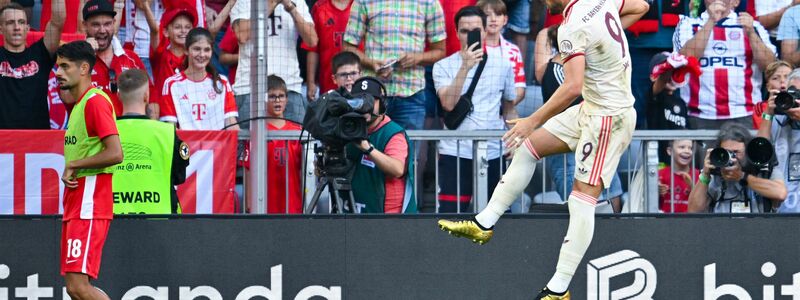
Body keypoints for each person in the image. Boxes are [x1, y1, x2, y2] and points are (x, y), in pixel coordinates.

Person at [437, 0, 650, 298]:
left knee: (581, 201)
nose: (541, 2)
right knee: (529, 148)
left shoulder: (571, 26)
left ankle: (558, 289)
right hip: (591, 108)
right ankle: (484, 223)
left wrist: (532, 119)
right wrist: (598, 43)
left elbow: (573, 86)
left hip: (608, 119)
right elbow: (640, 6)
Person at [56, 40, 123, 300]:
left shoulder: (94, 102)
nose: (58, 72)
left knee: (78, 287)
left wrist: (73, 164)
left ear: (84, 68)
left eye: (65, 66)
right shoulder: (80, 105)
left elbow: (116, 153)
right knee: (76, 288)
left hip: (90, 201)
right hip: (79, 201)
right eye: (58, 66)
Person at [432, 6, 515, 213]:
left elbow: (509, 109)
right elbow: (448, 104)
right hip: (455, 150)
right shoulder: (442, 66)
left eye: (475, 30)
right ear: (456, 33)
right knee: (450, 214)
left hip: (493, 151)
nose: (470, 36)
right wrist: (465, 67)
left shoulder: (503, 64)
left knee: (497, 215)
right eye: (464, 31)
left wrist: (516, 140)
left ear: (486, 31)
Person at [342, 0, 446, 130]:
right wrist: (372, 63)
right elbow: (347, 47)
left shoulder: (429, 3)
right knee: (369, 148)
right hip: (373, 94)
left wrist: (417, 58)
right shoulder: (364, 1)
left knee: (408, 148)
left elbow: (440, 51)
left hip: (411, 94)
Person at [674, 0, 776, 129]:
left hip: (745, 114)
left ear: (736, 2)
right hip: (699, 114)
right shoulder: (687, 24)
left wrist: (750, 33)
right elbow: (685, 60)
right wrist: (711, 21)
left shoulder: (753, 26)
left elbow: (770, 66)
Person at [113, 69, 189, 214]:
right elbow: (179, 176)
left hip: (111, 219)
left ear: (118, 96)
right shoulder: (167, 133)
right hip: (160, 220)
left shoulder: (103, 133)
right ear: (146, 96)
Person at [344, 76, 416, 213]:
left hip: (388, 218)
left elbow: (397, 169)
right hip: (356, 211)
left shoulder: (393, 133)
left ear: (382, 104)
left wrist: (368, 149)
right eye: (359, 100)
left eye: (371, 100)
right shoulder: (348, 127)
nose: (365, 106)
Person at [688, 123, 787, 212]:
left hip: (758, 229)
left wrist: (743, 177)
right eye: (726, 152)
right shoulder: (714, 173)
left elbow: (780, 193)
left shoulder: (763, 169)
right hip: (723, 230)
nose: (731, 157)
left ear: (748, 152)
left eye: (736, 152)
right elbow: (693, 210)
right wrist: (705, 174)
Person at [82, 0, 152, 118]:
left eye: (107, 24)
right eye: (96, 25)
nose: (102, 30)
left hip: (127, 133)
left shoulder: (132, 59)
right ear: (85, 26)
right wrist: (84, 56)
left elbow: (150, 100)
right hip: (92, 134)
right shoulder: (77, 59)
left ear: (114, 23)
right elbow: (67, 98)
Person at [0, 1, 64, 129]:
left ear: (28, 28)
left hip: (37, 139)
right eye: (10, 22)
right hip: (3, 139)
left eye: (21, 22)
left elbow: (57, 22)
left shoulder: (40, 53)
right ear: (1, 29)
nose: (17, 27)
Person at [160, 27, 239, 130]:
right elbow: (170, 129)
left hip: (217, 145)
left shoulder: (222, 82)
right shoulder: (171, 84)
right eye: (197, 49)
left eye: (207, 50)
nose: (202, 54)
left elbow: (231, 124)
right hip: (186, 145)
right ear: (186, 50)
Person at [140, 1, 197, 119]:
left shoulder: (195, 56)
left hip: (188, 111)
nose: (183, 31)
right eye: (177, 27)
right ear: (166, 32)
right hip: (164, 113)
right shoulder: (161, 54)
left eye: (188, 27)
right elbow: (154, 30)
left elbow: (212, 32)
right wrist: (145, 6)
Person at [266, 0, 317, 124]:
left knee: (297, 140)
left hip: (290, 86)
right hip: (255, 88)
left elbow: (312, 40)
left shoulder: (298, 2)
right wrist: (272, 4)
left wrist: (290, 7)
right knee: (254, 142)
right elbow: (243, 36)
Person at [756, 68, 800, 212]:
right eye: (792, 93)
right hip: (781, 214)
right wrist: (768, 113)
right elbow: (759, 153)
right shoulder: (777, 121)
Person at [477, 0, 526, 120]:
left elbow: (520, 87)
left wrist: (502, 107)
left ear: (505, 19)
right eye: (488, 15)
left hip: (501, 115)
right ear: (479, 19)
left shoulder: (513, 51)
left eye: (498, 14)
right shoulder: (471, 48)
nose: (493, 19)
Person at [303, 0, 354, 101]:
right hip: (328, 83)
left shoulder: (361, 4)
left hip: (357, 82)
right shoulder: (320, 7)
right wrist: (311, 82)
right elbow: (313, 47)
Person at [658, 139, 699, 213]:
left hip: (689, 221)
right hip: (664, 222)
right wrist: (656, 190)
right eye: (682, 147)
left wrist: (692, 185)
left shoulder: (698, 175)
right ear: (669, 151)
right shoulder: (660, 174)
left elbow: (701, 202)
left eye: (690, 148)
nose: (687, 151)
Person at [753, 60, 792, 128]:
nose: (782, 81)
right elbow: (761, 135)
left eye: (788, 77)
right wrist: (769, 112)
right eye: (775, 78)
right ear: (768, 87)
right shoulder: (760, 108)